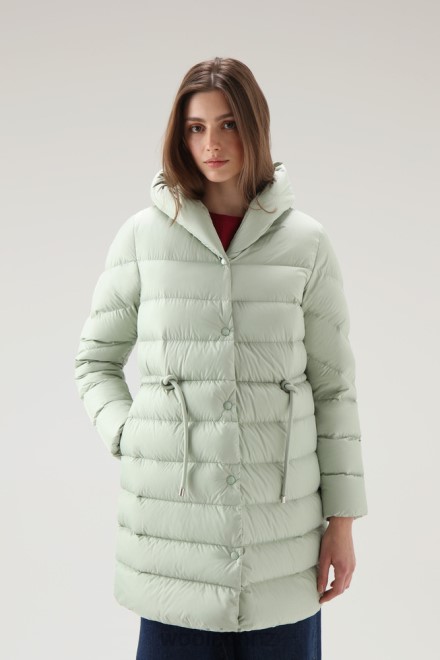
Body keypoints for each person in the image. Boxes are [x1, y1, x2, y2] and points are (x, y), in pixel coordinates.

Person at [74, 56, 368, 660]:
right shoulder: (143, 238)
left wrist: (341, 523)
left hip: (281, 546)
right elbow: (95, 361)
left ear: (255, 125)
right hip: (172, 547)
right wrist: (129, 434)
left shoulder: (306, 243)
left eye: (228, 123)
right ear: (179, 136)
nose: (212, 143)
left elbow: (334, 389)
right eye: (196, 127)